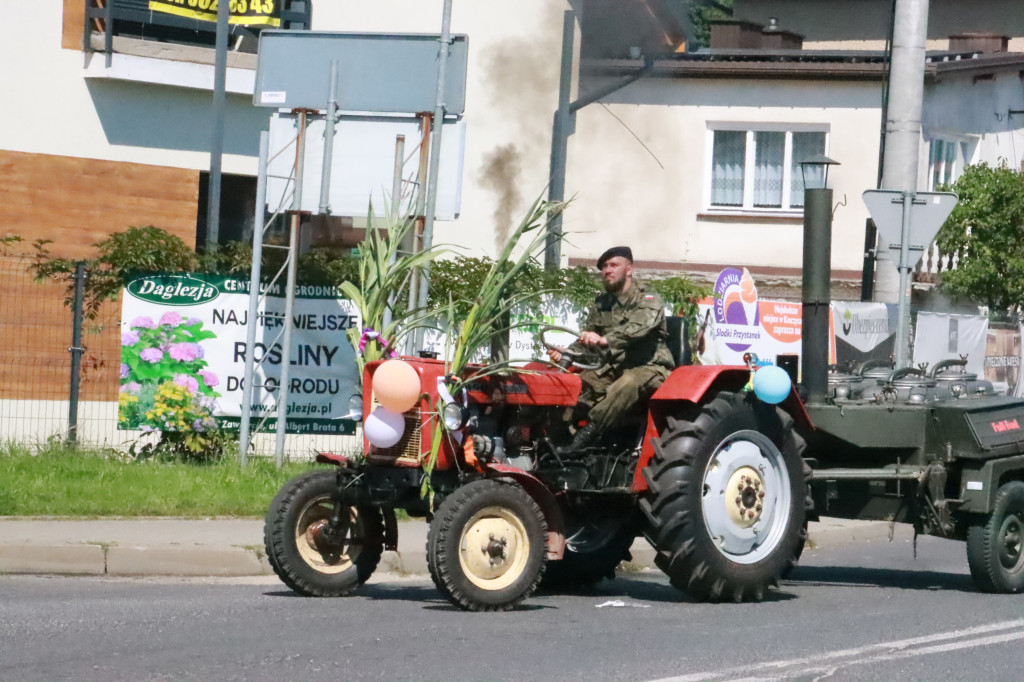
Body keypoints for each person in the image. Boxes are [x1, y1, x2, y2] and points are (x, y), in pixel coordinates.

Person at [547, 246, 675, 455]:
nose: (607, 270)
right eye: (604, 267)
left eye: (614, 265)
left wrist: (605, 340)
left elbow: (638, 328)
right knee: (577, 386)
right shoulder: (602, 304)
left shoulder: (648, 299)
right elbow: (587, 339)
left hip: (650, 368)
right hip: (613, 368)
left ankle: (584, 440)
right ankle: (555, 439)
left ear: (630, 270)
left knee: (627, 384)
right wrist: (567, 353)